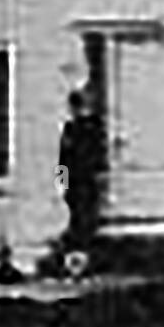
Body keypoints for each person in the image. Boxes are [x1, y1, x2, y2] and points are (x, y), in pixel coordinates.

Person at [58, 89, 107, 248]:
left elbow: (99, 153)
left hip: (86, 178)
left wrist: (100, 175)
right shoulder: (70, 128)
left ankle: (84, 242)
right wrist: (62, 183)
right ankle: (78, 241)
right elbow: (63, 158)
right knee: (76, 211)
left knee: (87, 211)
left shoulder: (93, 127)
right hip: (75, 179)